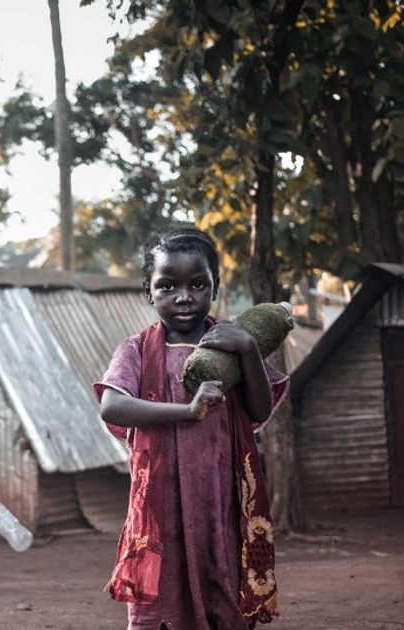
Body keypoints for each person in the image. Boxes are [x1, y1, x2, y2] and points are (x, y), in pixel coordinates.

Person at [95, 224, 288, 630]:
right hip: (161, 507)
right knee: (163, 597)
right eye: (168, 286)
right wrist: (187, 412)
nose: (184, 297)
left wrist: (249, 348)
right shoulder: (135, 350)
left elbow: (258, 407)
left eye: (198, 284)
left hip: (222, 502)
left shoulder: (232, 346)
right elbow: (112, 406)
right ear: (148, 291)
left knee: (225, 591)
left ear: (215, 287)